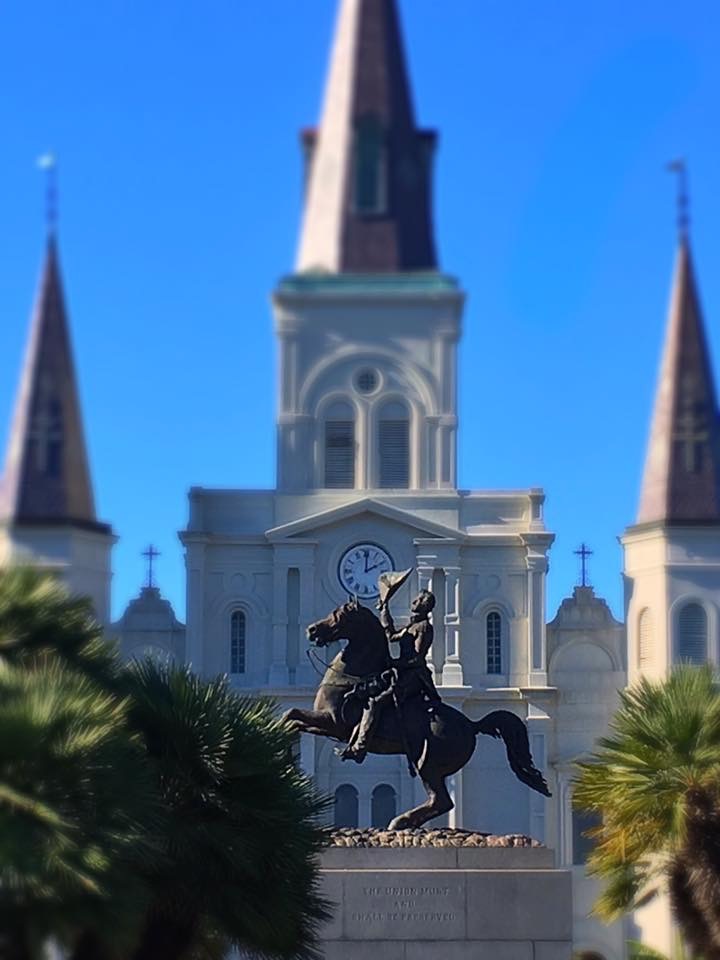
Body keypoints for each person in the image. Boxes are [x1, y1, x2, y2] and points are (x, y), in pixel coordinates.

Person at [339, 588, 441, 764]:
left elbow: (416, 659)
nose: (413, 602)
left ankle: (359, 748)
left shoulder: (423, 628)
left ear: (424, 606)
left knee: (375, 703)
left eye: (417, 600)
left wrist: (393, 663)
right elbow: (391, 635)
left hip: (413, 677)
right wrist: (384, 609)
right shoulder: (412, 626)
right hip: (401, 673)